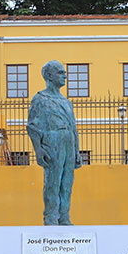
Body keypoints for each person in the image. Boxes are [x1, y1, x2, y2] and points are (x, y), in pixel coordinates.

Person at [27, 60, 80, 225]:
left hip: (68, 141)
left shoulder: (66, 102)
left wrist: (77, 151)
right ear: (49, 76)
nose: (65, 75)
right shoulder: (40, 98)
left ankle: (64, 216)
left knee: (67, 182)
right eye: (60, 72)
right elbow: (32, 126)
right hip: (52, 138)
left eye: (64, 72)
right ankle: (51, 216)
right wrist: (38, 149)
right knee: (53, 181)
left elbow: (73, 127)